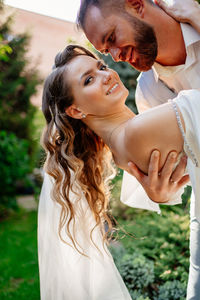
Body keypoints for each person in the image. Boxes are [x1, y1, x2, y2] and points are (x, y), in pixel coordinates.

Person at [38, 44, 200, 299]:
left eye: (101, 66)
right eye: (89, 79)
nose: (107, 74)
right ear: (77, 111)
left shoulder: (122, 147)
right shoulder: (137, 132)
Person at [77, 0, 200, 298]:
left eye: (112, 38)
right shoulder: (147, 92)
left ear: (135, 4)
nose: (118, 57)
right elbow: (178, 173)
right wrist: (163, 193)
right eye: (108, 53)